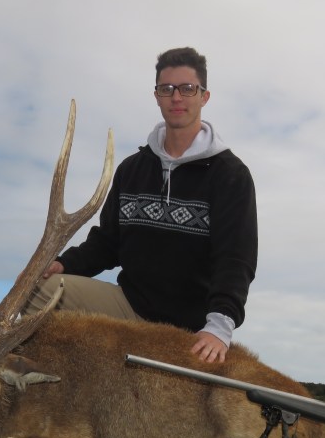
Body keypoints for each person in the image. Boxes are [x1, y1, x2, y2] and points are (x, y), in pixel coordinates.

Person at [24, 47, 258, 363]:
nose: (177, 97)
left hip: (188, 325)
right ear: (157, 96)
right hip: (129, 306)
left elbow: (236, 260)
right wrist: (64, 265)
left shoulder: (231, 175)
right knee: (35, 291)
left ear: (204, 97)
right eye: (167, 89)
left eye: (188, 89)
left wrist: (219, 327)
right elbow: (108, 243)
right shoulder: (132, 169)